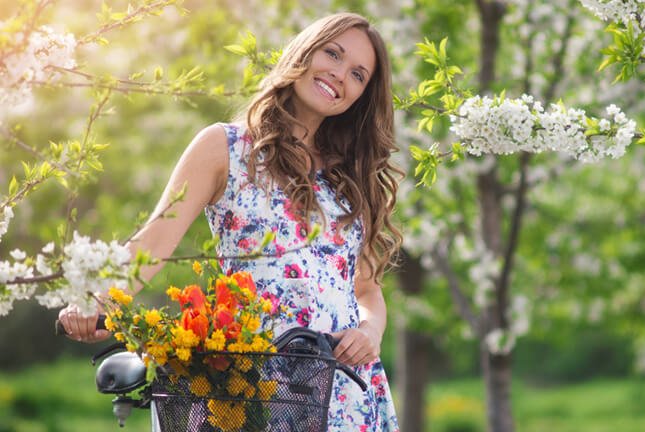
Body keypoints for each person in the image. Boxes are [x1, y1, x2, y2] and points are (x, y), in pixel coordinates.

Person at [58, 12, 401, 431]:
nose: (339, 74)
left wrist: (370, 332)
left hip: (343, 392)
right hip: (252, 382)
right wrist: (98, 299)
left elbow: (365, 289)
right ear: (306, 51)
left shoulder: (347, 178)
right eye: (333, 53)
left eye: (358, 74)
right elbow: (153, 244)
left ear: (360, 97)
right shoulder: (226, 147)